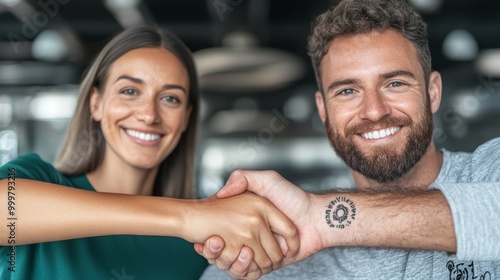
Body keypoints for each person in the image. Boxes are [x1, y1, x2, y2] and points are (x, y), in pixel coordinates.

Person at [198, 0, 500, 279]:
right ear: (323, 110)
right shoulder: (273, 259)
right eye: (347, 91)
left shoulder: (488, 170)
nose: (374, 111)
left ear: (433, 92)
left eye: (395, 83)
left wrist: (322, 219)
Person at [0, 26, 299, 279]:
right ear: (96, 102)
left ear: (185, 118)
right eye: (130, 91)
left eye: (170, 98)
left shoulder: (200, 248)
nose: (148, 114)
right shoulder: (35, 179)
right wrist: (187, 216)